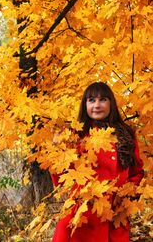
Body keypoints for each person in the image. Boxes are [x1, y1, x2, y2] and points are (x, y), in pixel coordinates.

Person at [51, 82, 144, 242]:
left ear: (111, 103)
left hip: (114, 211)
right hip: (82, 211)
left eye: (103, 100)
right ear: (85, 104)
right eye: (91, 100)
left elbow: (136, 172)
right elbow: (61, 178)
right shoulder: (76, 135)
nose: (97, 105)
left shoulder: (125, 135)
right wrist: (57, 152)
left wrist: (126, 195)